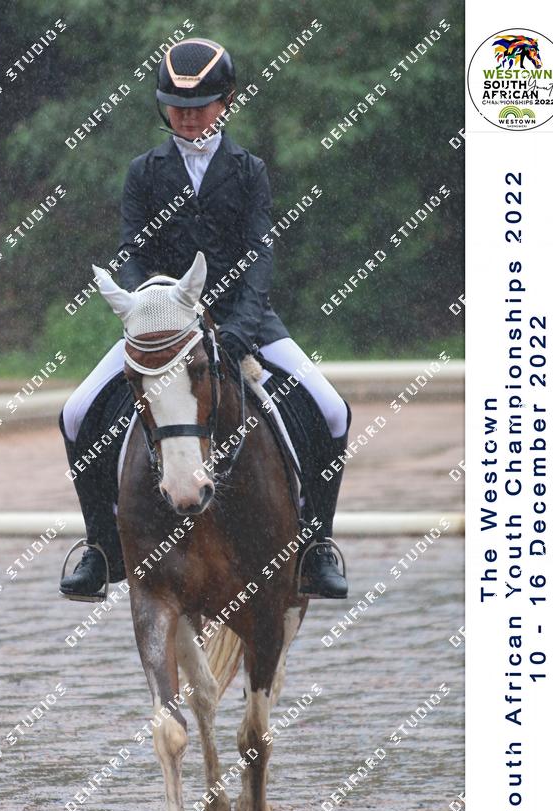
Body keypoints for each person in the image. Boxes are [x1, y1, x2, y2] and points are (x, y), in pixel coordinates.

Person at [59, 37, 351, 601]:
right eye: (177, 107)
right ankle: (101, 547)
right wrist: (149, 310)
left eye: (199, 106)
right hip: (163, 327)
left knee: (333, 410)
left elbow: (259, 255)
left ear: (226, 102)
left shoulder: (248, 170)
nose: (188, 117)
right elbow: (133, 252)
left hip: (246, 319)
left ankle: (316, 547)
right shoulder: (144, 172)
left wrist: (241, 326)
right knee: (74, 414)